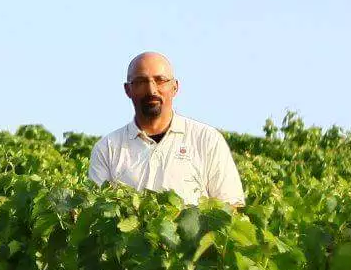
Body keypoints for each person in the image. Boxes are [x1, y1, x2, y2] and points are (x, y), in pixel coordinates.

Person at [87, 51, 244, 206]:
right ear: (128, 90)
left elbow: (230, 207)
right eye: (141, 82)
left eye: (160, 80)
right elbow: (98, 212)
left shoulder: (206, 139)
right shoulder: (107, 148)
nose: (151, 90)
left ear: (175, 87)